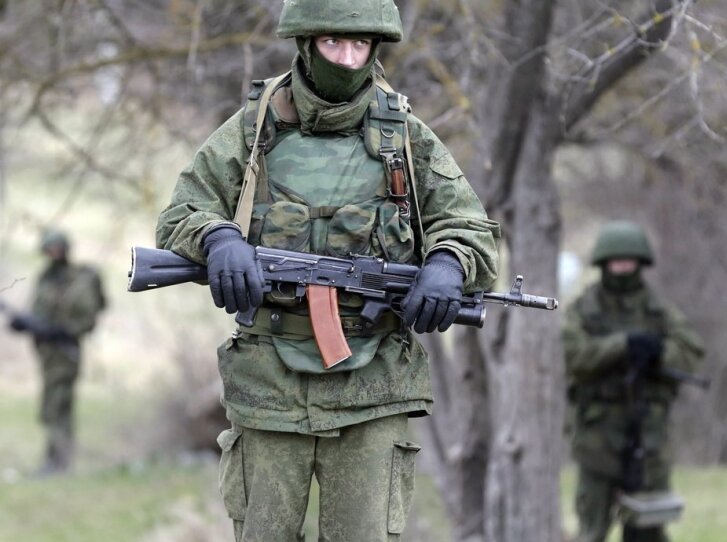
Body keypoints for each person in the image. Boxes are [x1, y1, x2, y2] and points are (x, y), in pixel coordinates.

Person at [154, 1, 500, 540]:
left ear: (375, 49)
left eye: (358, 45)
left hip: (374, 388)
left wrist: (448, 263)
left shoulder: (404, 135)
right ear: (306, 44)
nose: (346, 58)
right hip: (268, 384)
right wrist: (218, 238)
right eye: (333, 43)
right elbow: (183, 210)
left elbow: (468, 224)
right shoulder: (254, 126)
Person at [563, 221, 704, 542]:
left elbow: (691, 349)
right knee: (592, 529)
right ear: (604, 263)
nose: (623, 268)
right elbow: (574, 355)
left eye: (630, 261)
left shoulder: (658, 309)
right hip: (598, 437)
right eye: (617, 261)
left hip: (649, 437)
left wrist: (658, 352)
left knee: (648, 530)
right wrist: (622, 345)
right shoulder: (585, 310)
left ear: (641, 263)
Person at [7, 230, 105, 475]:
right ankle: (55, 461)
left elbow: (84, 318)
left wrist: (56, 331)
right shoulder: (46, 279)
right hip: (47, 353)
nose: (53, 253)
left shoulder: (79, 279)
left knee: (57, 406)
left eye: (56, 248)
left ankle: (58, 463)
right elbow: (39, 314)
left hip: (65, 351)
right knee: (52, 406)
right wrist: (24, 324)